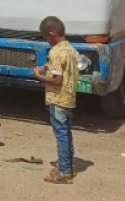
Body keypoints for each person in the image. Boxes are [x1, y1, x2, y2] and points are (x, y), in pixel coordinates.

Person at [33, 16, 78, 184]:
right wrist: (49, 67)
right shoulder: (71, 50)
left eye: (46, 37)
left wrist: (39, 76)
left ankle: (64, 172)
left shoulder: (56, 52)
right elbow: (63, 72)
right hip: (69, 98)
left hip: (57, 99)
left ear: (51, 34)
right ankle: (68, 164)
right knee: (66, 132)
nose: (46, 40)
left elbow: (57, 81)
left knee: (60, 134)